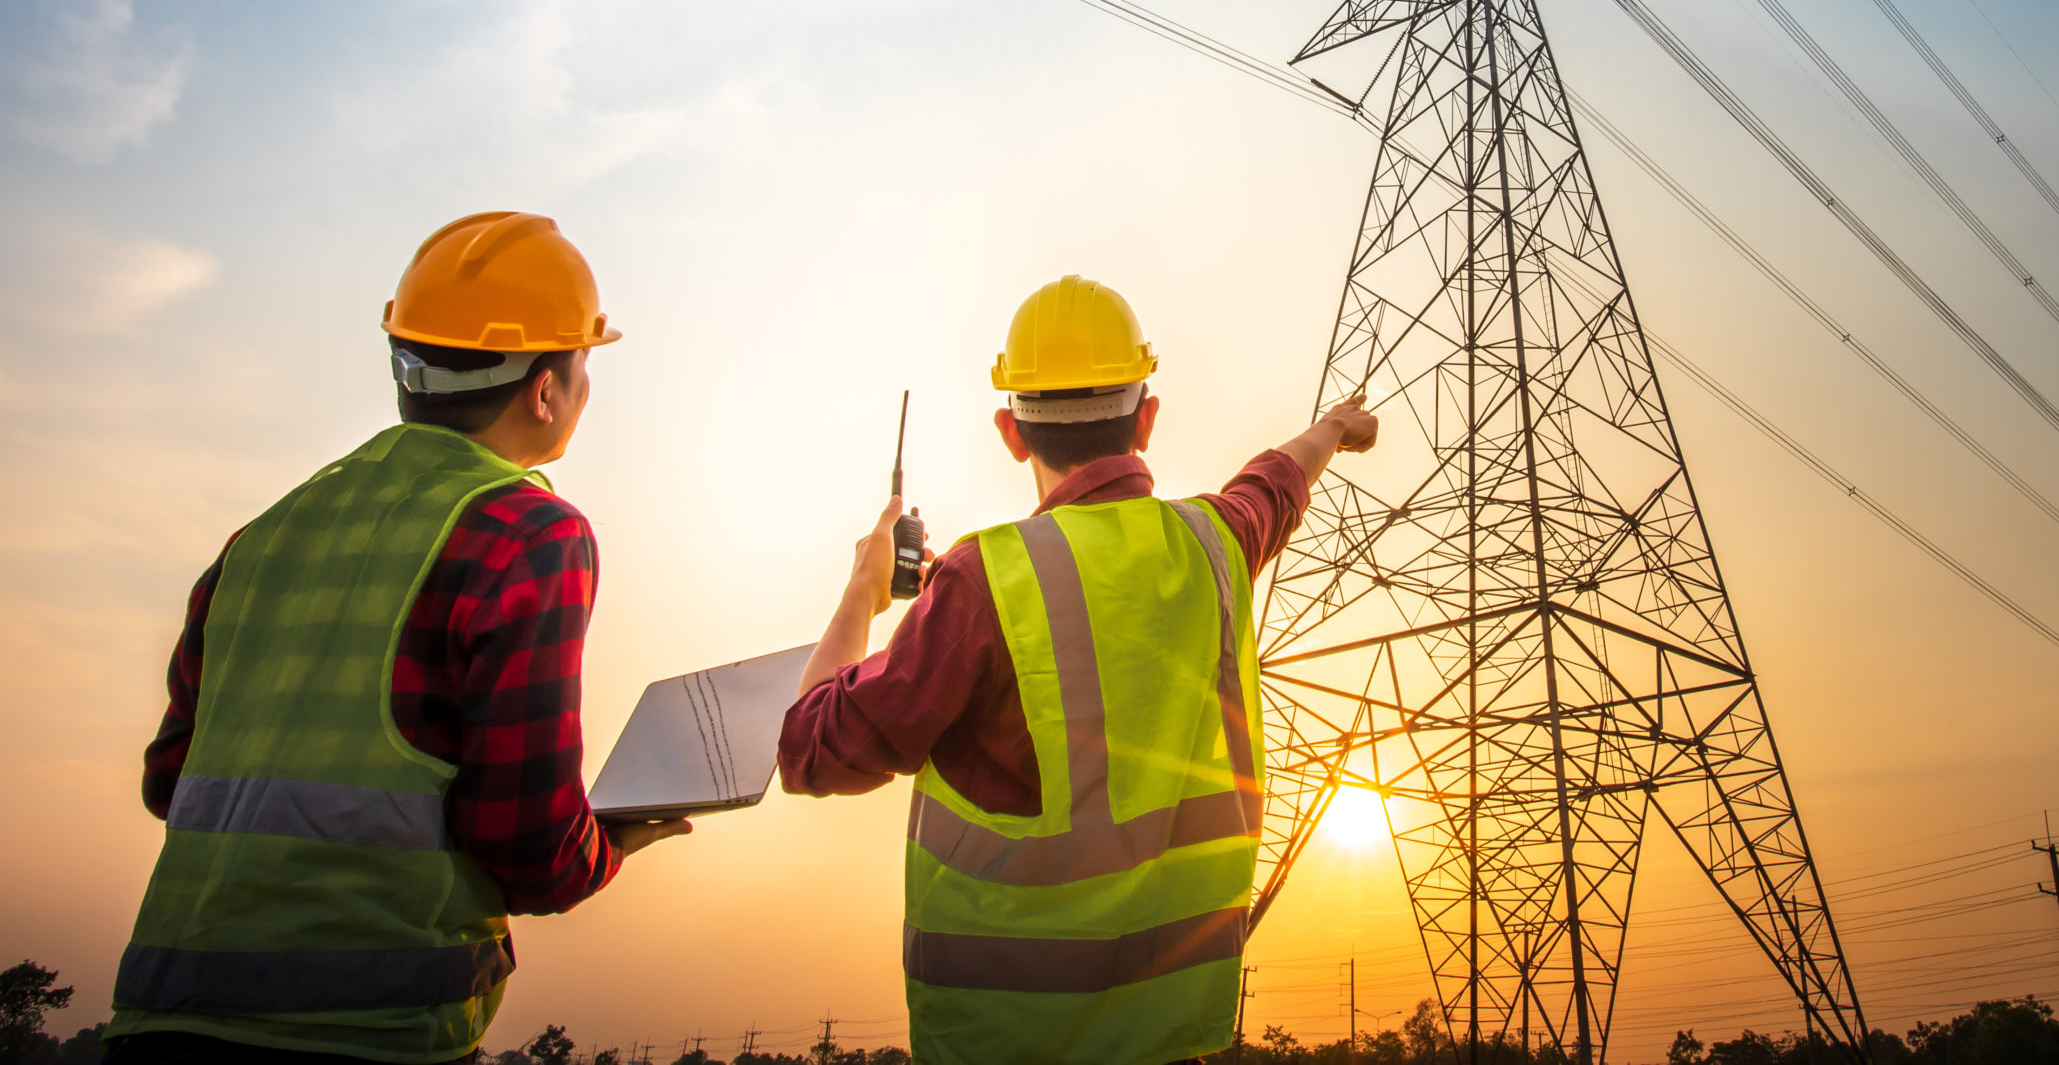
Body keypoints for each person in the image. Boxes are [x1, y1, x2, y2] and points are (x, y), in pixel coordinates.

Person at [105, 212, 688, 1065]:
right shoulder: (527, 534)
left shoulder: (261, 536)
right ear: (545, 389)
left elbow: (173, 782)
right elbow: (525, 840)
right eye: (583, 361)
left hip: (158, 1018)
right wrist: (608, 841)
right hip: (361, 1030)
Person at [780, 275, 1377, 1065]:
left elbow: (812, 749)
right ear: (1148, 417)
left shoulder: (981, 581)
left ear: (1010, 430)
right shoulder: (1213, 544)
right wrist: (1333, 428)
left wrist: (863, 591)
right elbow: (1273, 484)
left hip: (1002, 1043)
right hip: (1169, 1041)